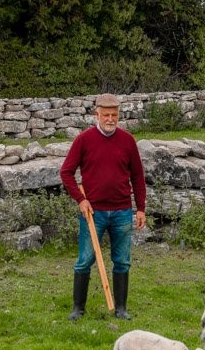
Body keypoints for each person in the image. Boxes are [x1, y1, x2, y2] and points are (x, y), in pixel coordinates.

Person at [60, 93, 146, 320]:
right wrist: (81, 199)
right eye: (106, 115)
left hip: (122, 210)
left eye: (114, 115)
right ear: (96, 114)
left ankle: (121, 309)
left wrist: (140, 209)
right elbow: (66, 172)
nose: (110, 119)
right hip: (93, 212)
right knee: (84, 261)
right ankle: (78, 309)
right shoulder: (84, 140)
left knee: (122, 260)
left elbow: (138, 177)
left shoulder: (127, 141)